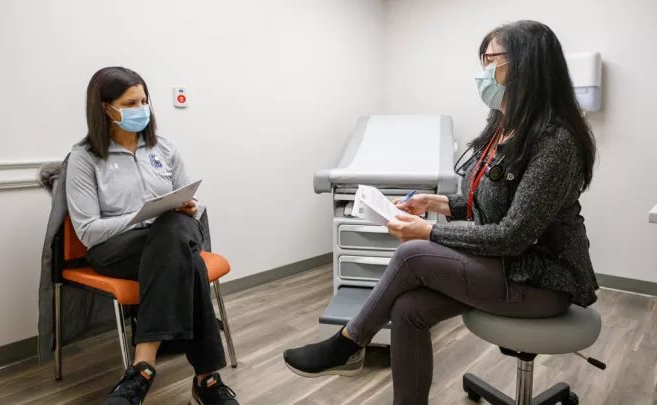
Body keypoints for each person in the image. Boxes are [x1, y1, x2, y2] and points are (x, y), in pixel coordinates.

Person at [283, 20, 599, 405]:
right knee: (409, 308)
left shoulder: (556, 142)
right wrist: (434, 204)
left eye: (491, 60)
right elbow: (486, 203)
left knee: (412, 253)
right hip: (500, 266)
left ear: (526, 65)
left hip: (541, 280)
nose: (482, 71)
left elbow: (512, 233)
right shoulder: (502, 127)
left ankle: (348, 344)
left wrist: (428, 232)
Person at [66, 67, 239, 405]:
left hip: (173, 235)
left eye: (144, 100)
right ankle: (206, 382)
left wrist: (188, 207)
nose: (141, 108)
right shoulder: (84, 159)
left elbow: (189, 201)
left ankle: (142, 370)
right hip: (116, 250)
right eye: (131, 102)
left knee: (174, 231)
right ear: (105, 108)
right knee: (190, 264)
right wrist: (140, 216)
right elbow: (87, 231)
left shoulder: (165, 149)